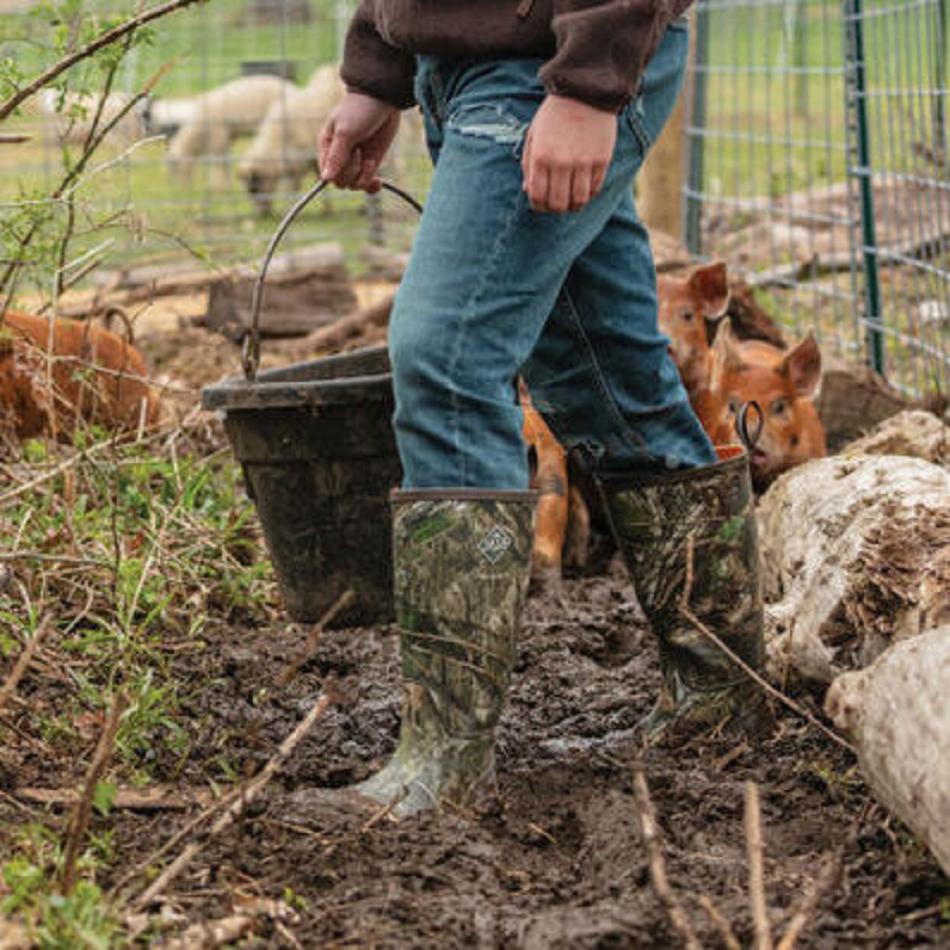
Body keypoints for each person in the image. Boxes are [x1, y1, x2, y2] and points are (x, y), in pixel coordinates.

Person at [318, 0, 769, 818]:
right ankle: (720, 705)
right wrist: (379, 69)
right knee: (606, 375)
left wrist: (593, 80)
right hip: (472, 69)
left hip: (551, 71)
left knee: (445, 356)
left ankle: (445, 761)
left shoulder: (579, 75)